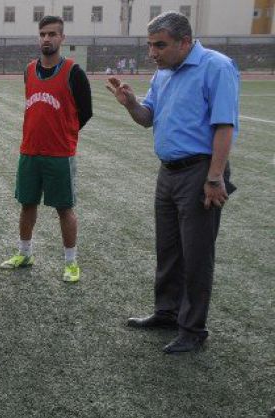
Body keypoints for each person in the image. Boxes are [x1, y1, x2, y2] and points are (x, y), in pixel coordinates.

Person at [106, 11, 239, 353]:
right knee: (168, 250)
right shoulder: (163, 74)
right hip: (168, 172)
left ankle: (193, 329)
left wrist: (214, 176)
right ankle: (166, 312)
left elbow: (224, 126)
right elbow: (146, 118)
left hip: (200, 172)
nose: (153, 53)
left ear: (184, 41)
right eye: (150, 45)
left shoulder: (216, 66)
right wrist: (131, 103)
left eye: (160, 45)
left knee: (196, 255)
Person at [0, 15, 93, 283]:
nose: (47, 39)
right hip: (29, 150)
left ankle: (71, 263)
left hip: (60, 154)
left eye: (52, 34)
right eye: (43, 34)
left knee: (65, 208)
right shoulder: (29, 70)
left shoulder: (74, 72)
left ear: (62, 38)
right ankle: (25, 253)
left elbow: (85, 112)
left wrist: (64, 134)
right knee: (27, 204)